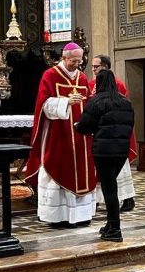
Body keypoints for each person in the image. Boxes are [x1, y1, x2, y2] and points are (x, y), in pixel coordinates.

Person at [25, 42, 97, 227]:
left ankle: (81, 215)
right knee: (58, 167)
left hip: (81, 134)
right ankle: (58, 217)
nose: (77, 64)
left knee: (83, 169)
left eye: (79, 61)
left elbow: (87, 102)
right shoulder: (50, 75)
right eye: (73, 60)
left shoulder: (81, 77)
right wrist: (65, 102)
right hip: (58, 135)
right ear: (64, 58)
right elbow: (43, 105)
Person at [76, 70, 135, 242]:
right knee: (111, 187)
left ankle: (115, 229)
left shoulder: (97, 101)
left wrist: (78, 126)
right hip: (121, 151)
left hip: (103, 151)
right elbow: (129, 125)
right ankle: (110, 224)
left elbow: (85, 126)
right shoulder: (125, 102)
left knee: (109, 190)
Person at [90, 55, 137, 213]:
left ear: (105, 67)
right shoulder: (91, 84)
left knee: (120, 170)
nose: (93, 70)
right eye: (92, 67)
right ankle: (95, 201)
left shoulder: (118, 85)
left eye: (96, 67)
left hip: (115, 136)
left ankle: (127, 198)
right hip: (100, 135)